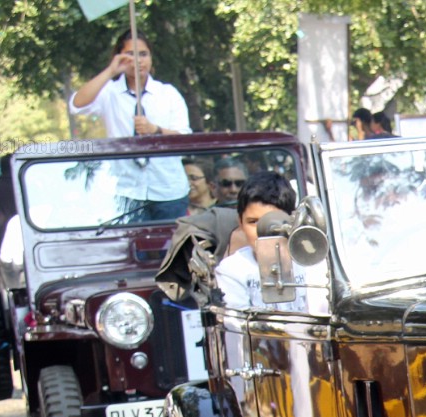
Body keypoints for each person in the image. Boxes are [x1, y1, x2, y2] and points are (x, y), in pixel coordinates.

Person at [68, 30, 190, 221]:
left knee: (171, 249)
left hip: (168, 190)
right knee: (131, 249)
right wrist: (111, 71)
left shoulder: (167, 94)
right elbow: (76, 105)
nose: (138, 61)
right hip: (126, 191)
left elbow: (185, 138)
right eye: (130, 55)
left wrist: (155, 130)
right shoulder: (110, 93)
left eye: (143, 54)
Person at [215, 171, 322, 314]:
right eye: (253, 222)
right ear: (240, 222)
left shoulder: (312, 263)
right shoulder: (231, 270)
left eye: (272, 222)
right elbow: (236, 324)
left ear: (292, 219)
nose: (262, 230)